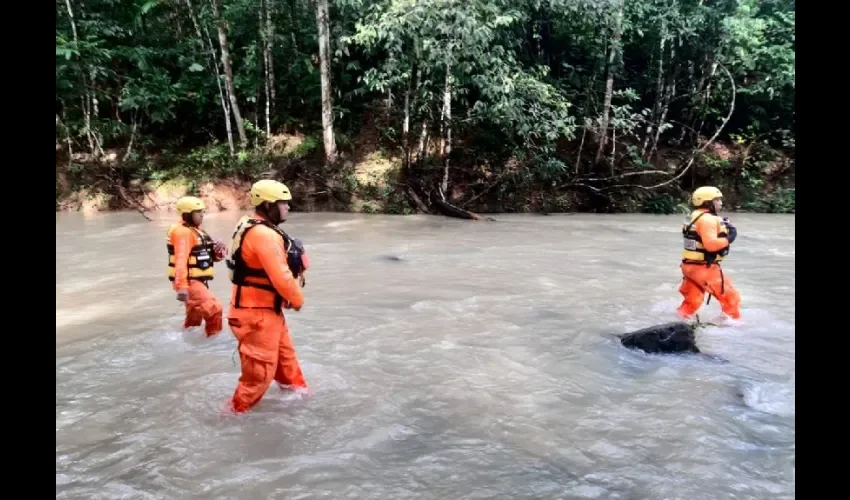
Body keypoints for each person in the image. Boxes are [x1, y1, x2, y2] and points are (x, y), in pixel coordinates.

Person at [225, 179, 311, 413]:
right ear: (267, 205)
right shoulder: (264, 234)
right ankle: (231, 418)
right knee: (258, 377)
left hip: (266, 312)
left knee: (286, 363)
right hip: (256, 316)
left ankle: (299, 401)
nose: (288, 208)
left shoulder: (253, 225)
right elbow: (281, 276)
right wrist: (297, 300)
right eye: (283, 204)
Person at [676, 186, 741, 320]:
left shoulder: (693, 216)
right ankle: (736, 327)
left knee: (692, 301)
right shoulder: (708, 219)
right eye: (717, 200)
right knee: (731, 298)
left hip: (689, 267)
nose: (721, 203)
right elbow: (711, 246)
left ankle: (678, 320)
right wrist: (730, 237)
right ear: (707, 202)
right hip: (704, 268)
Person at [166, 196, 228, 337]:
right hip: (189, 282)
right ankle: (213, 340)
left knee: (194, 320)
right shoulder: (183, 232)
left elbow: (210, 258)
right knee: (214, 308)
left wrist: (219, 250)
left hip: (197, 280)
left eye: (202, 211)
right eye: (198, 212)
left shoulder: (197, 231)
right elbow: (181, 260)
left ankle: (184, 342)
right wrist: (182, 287)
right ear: (187, 214)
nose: (202, 215)